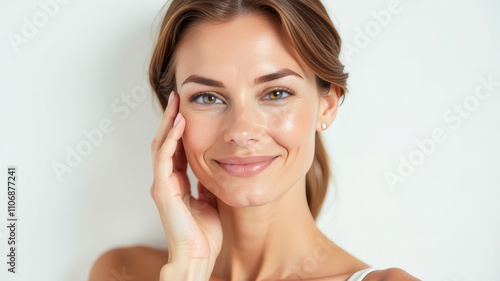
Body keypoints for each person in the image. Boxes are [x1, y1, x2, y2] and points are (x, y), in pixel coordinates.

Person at [89, 0, 421, 280]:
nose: (241, 131)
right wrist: (189, 267)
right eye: (207, 97)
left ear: (327, 105)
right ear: (172, 117)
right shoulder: (123, 272)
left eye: (276, 93)